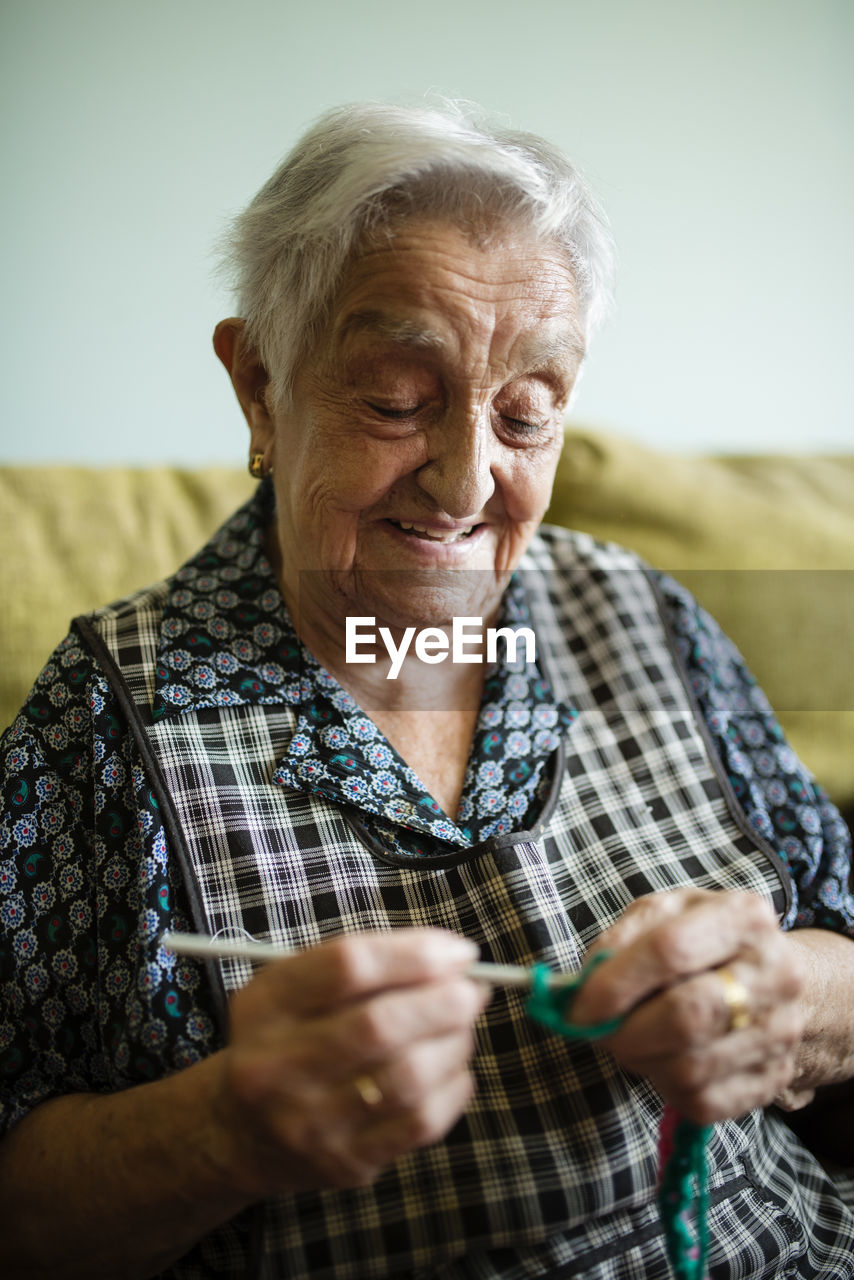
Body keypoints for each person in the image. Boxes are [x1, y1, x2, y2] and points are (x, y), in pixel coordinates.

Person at [0, 100, 852, 1280]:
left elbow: (839, 933)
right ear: (258, 385)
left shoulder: (642, 610)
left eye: (524, 412)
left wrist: (786, 1002)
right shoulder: (109, 717)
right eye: (395, 400)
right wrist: (223, 1130)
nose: (463, 478)